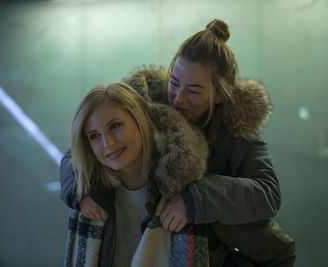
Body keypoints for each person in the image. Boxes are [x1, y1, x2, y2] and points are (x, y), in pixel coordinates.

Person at [121, 19, 296, 266]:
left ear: (219, 96)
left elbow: (267, 194)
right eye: (174, 82)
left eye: (193, 90)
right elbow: (81, 150)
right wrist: (81, 192)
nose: (178, 98)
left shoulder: (237, 134)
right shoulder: (139, 104)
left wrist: (196, 199)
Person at [61, 82, 210, 267]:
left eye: (115, 126)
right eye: (94, 136)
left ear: (140, 120)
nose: (108, 143)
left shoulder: (186, 192)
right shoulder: (87, 195)